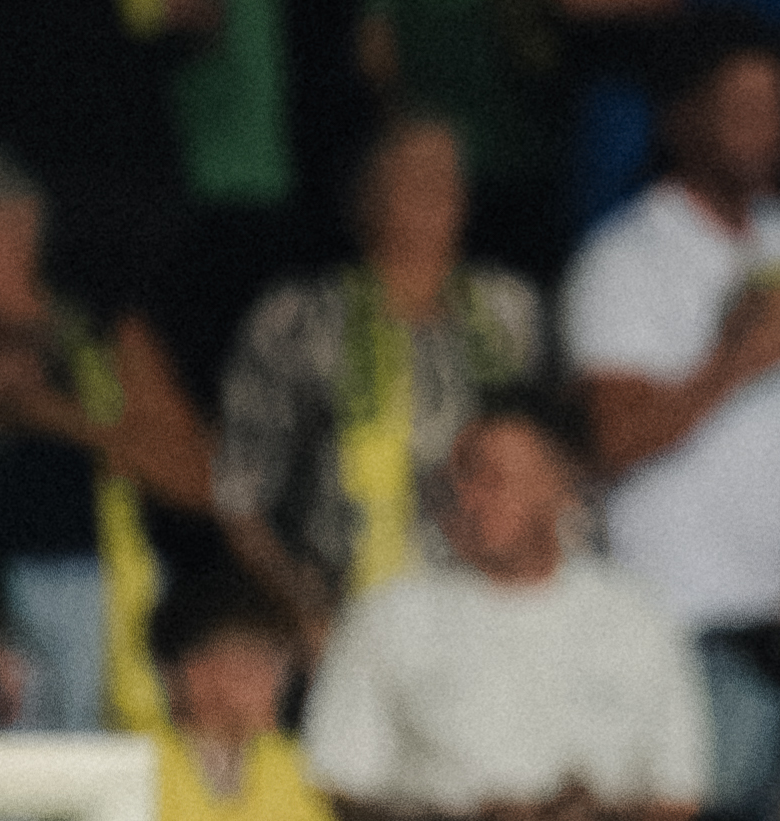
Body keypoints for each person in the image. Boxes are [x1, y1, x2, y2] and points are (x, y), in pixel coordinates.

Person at [562, 22, 780, 821]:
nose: (761, 126)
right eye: (739, 106)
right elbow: (611, 440)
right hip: (668, 622)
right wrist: (736, 359)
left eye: (774, 106)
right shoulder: (625, 258)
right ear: (681, 119)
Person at [299, 392, 712, 821]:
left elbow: (679, 802)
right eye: (461, 479)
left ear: (561, 487)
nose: (472, 498)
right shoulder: (386, 616)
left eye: (495, 479)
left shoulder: (638, 617)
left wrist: (587, 819)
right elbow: (338, 791)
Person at [211, 113, 552, 635]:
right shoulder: (300, 319)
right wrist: (304, 614)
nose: (438, 189)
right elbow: (240, 495)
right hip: (346, 621)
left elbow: (554, 470)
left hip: (494, 625)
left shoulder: (511, 314)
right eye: (415, 173)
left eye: (450, 174)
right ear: (364, 195)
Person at [0, 145, 216, 740]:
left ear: (27, 228)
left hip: (113, 622)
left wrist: (55, 417)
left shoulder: (102, 337)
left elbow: (201, 478)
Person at [146, 571, 349, 821]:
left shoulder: (286, 761)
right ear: (194, 673)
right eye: (252, 662)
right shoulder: (143, 763)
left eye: (279, 663)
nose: (275, 679)